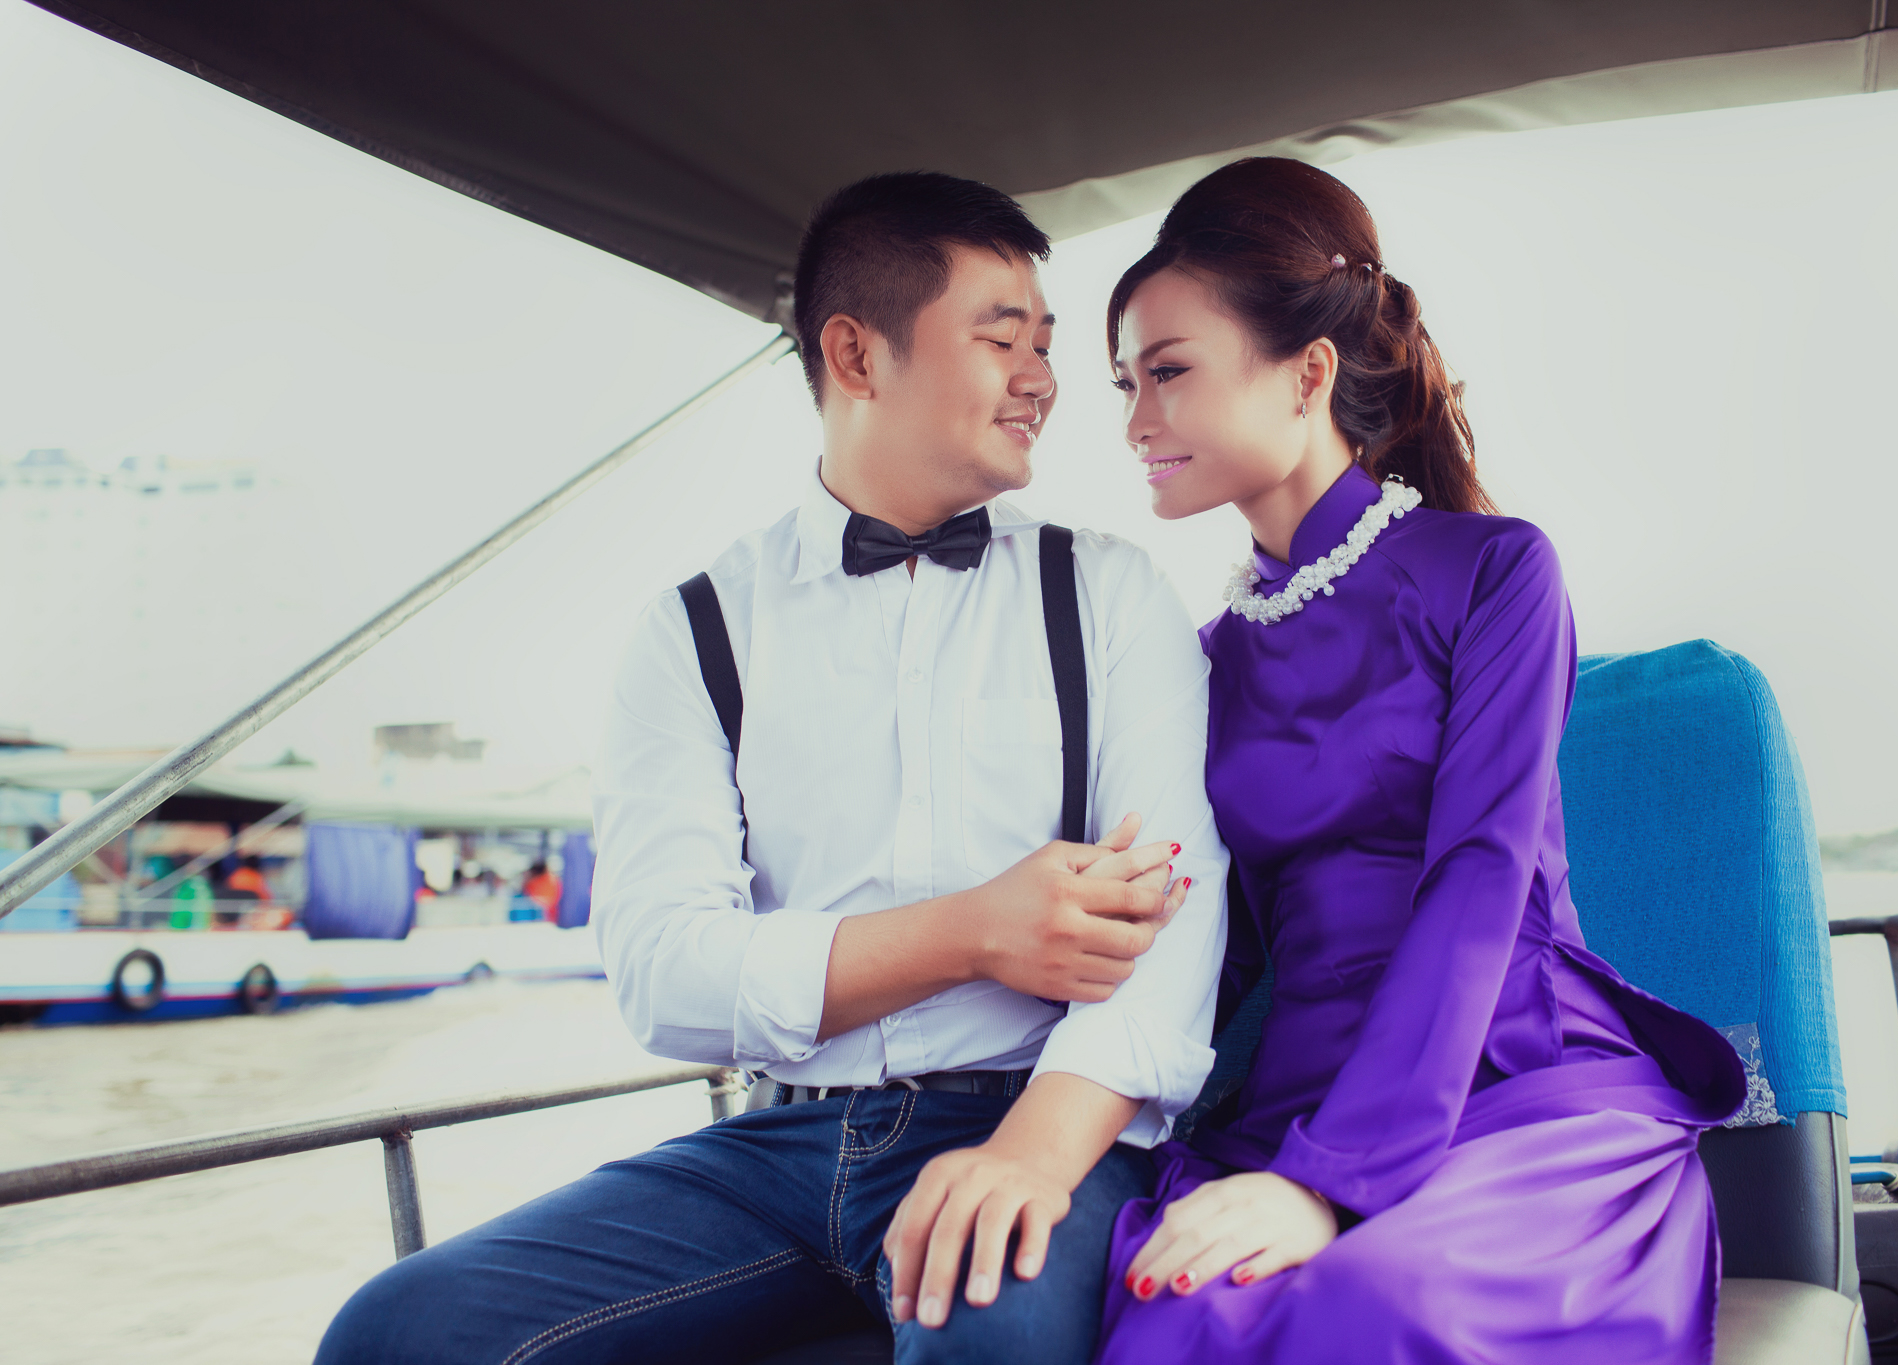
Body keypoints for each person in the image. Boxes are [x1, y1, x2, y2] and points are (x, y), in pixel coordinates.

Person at [314, 171, 1227, 1365]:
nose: (1041, 379)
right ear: (855, 354)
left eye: (1045, 344)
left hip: (1031, 1107)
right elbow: (664, 977)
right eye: (1001, 338)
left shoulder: (1107, 593)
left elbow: (1170, 930)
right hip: (767, 1150)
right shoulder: (694, 630)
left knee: (984, 1341)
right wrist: (975, 933)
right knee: (397, 1332)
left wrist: (1029, 1153)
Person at [1094, 158, 1746, 1363]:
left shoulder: (1494, 571)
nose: (1133, 422)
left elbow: (1481, 872)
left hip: (1511, 1077)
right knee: (1179, 1307)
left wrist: (1327, 1182)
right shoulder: (1203, 658)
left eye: (1167, 372)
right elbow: (1212, 943)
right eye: (1124, 383)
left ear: (1307, 373)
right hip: (1293, 1096)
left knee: (1383, 1303)